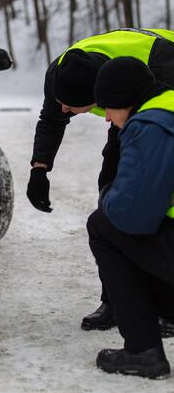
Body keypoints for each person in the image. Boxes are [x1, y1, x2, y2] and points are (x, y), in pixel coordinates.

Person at [27, 28, 174, 334]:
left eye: (71, 106)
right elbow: (51, 120)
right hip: (131, 108)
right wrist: (39, 169)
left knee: (155, 200)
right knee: (111, 194)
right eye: (61, 101)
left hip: (162, 100)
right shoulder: (62, 73)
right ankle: (117, 302)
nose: (63, 109)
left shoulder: (161, 64)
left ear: (102, 98)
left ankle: (167, 305)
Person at [88, 56, 174, 379]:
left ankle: (142, 351)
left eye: (109, 106)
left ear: (126, 98)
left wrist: (108, 193)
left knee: (102, 226)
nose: (107, 116)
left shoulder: (152, 124)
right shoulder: (170, 104)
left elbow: (132, 215)